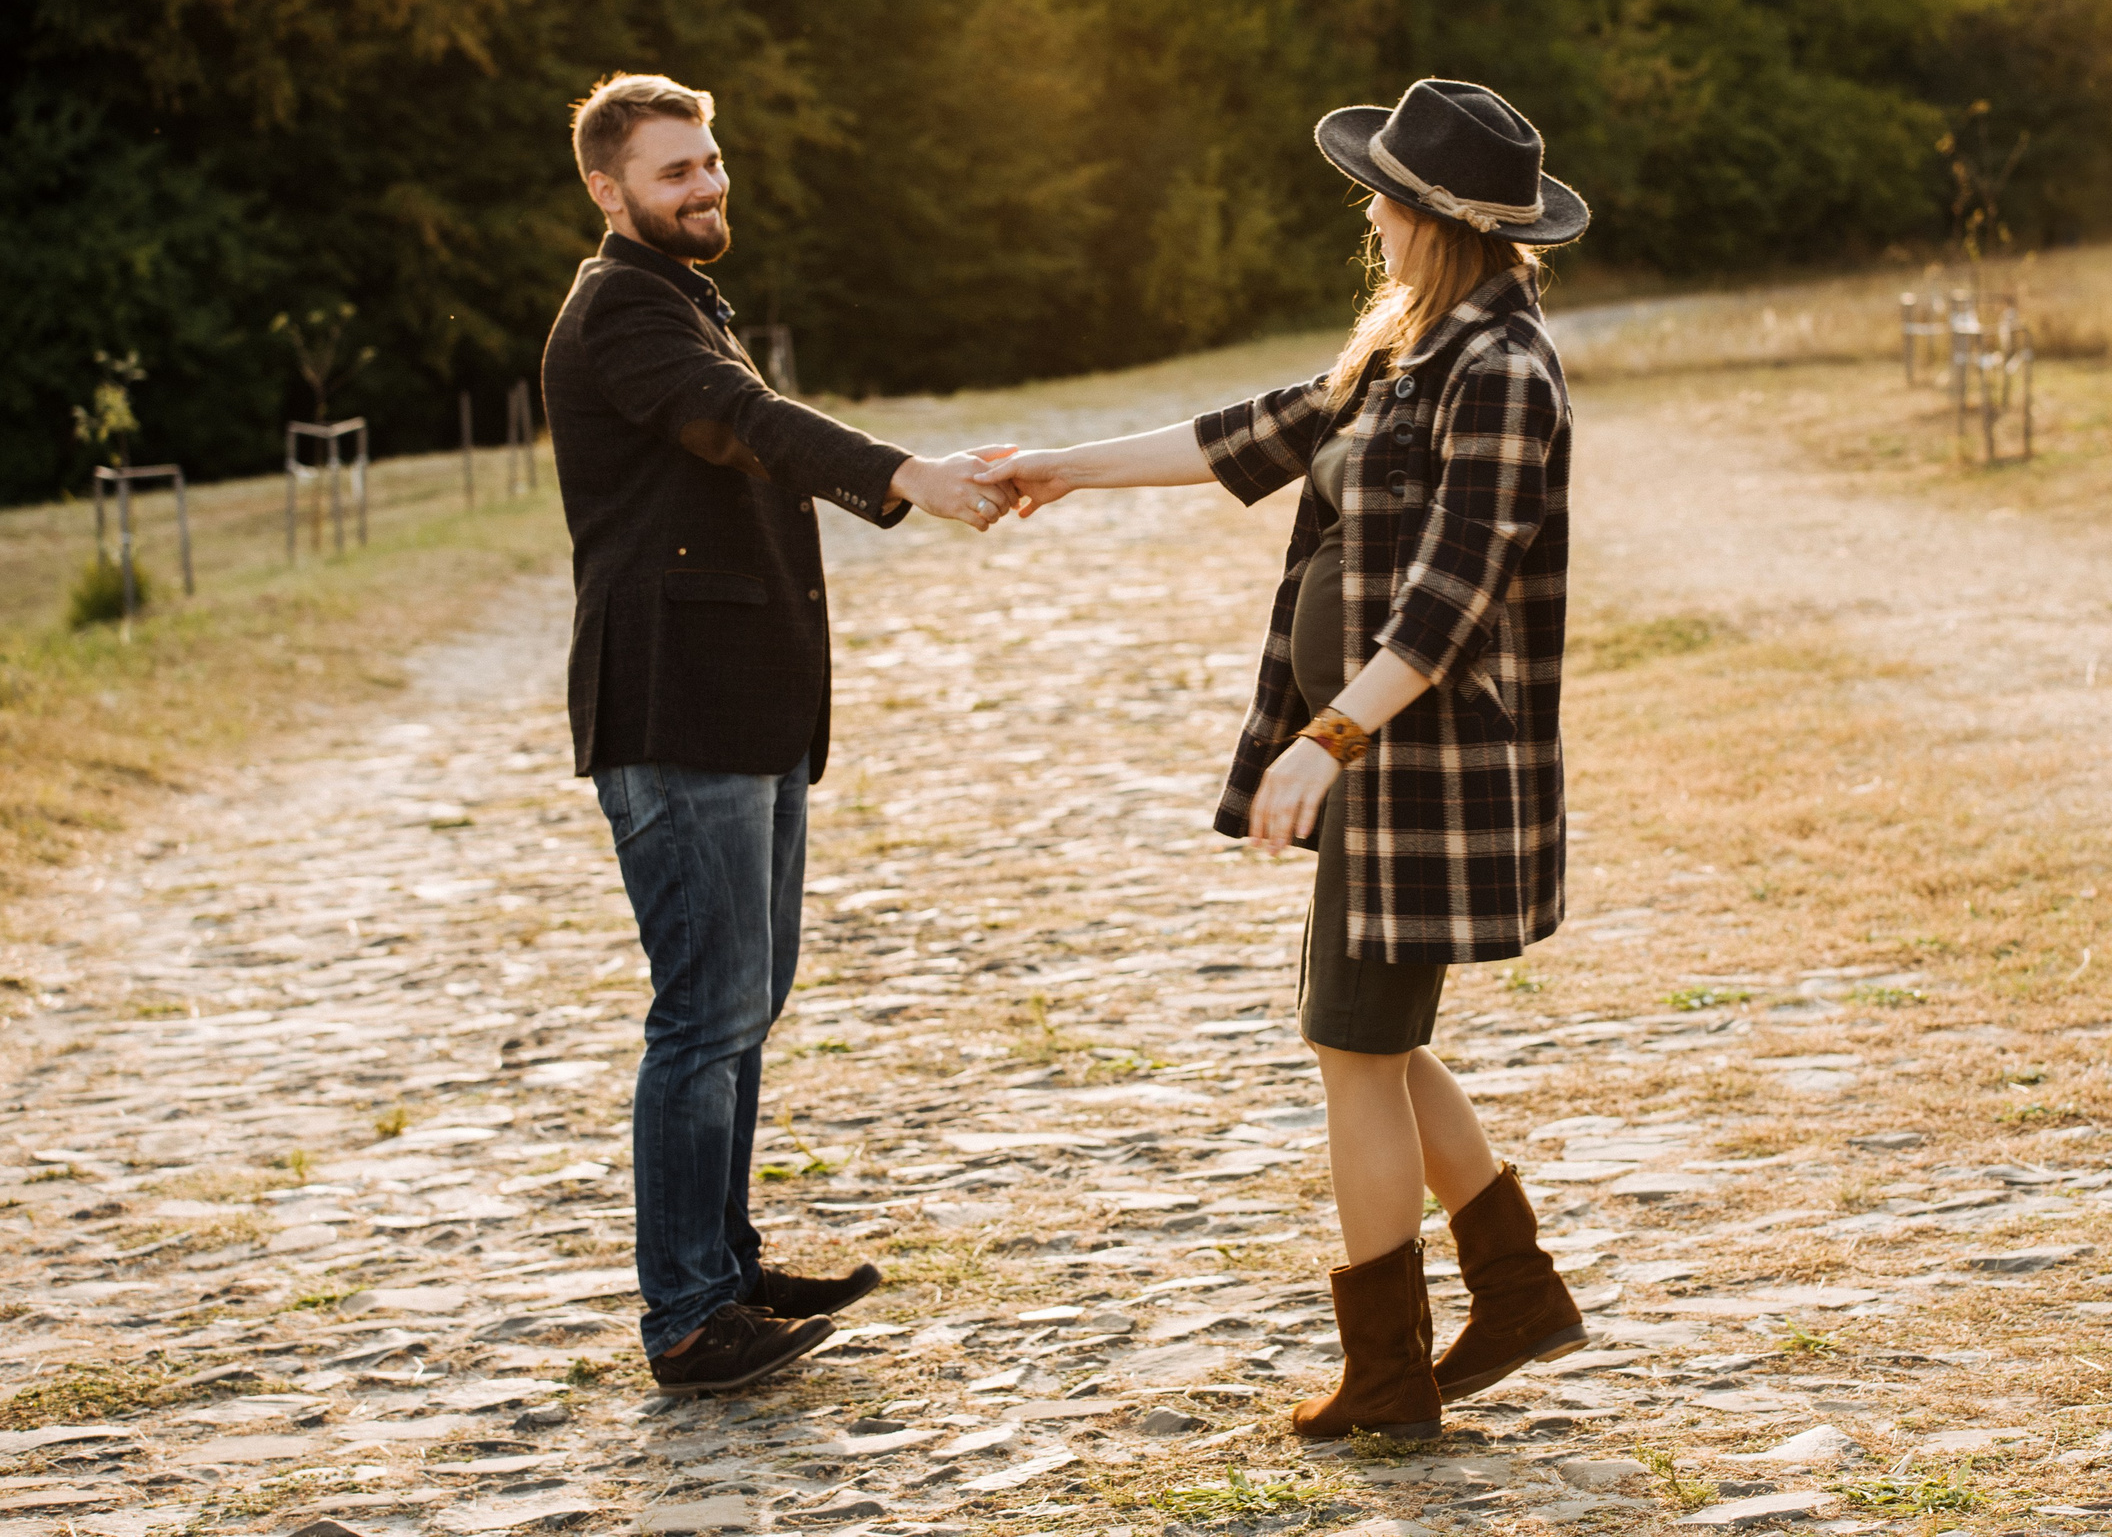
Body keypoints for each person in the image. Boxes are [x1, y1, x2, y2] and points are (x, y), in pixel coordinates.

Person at [976, 79, 1588, 1439]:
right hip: (1377, 763)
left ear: (1433, 216)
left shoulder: (1503, 369)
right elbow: (1244, 436)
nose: (1367, 211)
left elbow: (1449, 598)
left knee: (1354, 1047)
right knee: (1367, 1035)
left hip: (1420, 769)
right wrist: (1057, 467)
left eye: (1385, 194)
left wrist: (1327, 737)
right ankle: (1513, 1284)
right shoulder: (1409, 347)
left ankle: (1390, 1375)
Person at [541, 72, 1015, 1395]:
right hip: (674, 713)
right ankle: (687, 1315)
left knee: (745, 1005)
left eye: (711, 161)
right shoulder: (620, 313)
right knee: (705, 1010)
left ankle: (726, 1266)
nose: (706, 186)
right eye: (674, 171)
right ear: (607, 189)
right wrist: (906, 474)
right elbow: (739, 422)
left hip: (743, 712)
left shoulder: (684, 299)